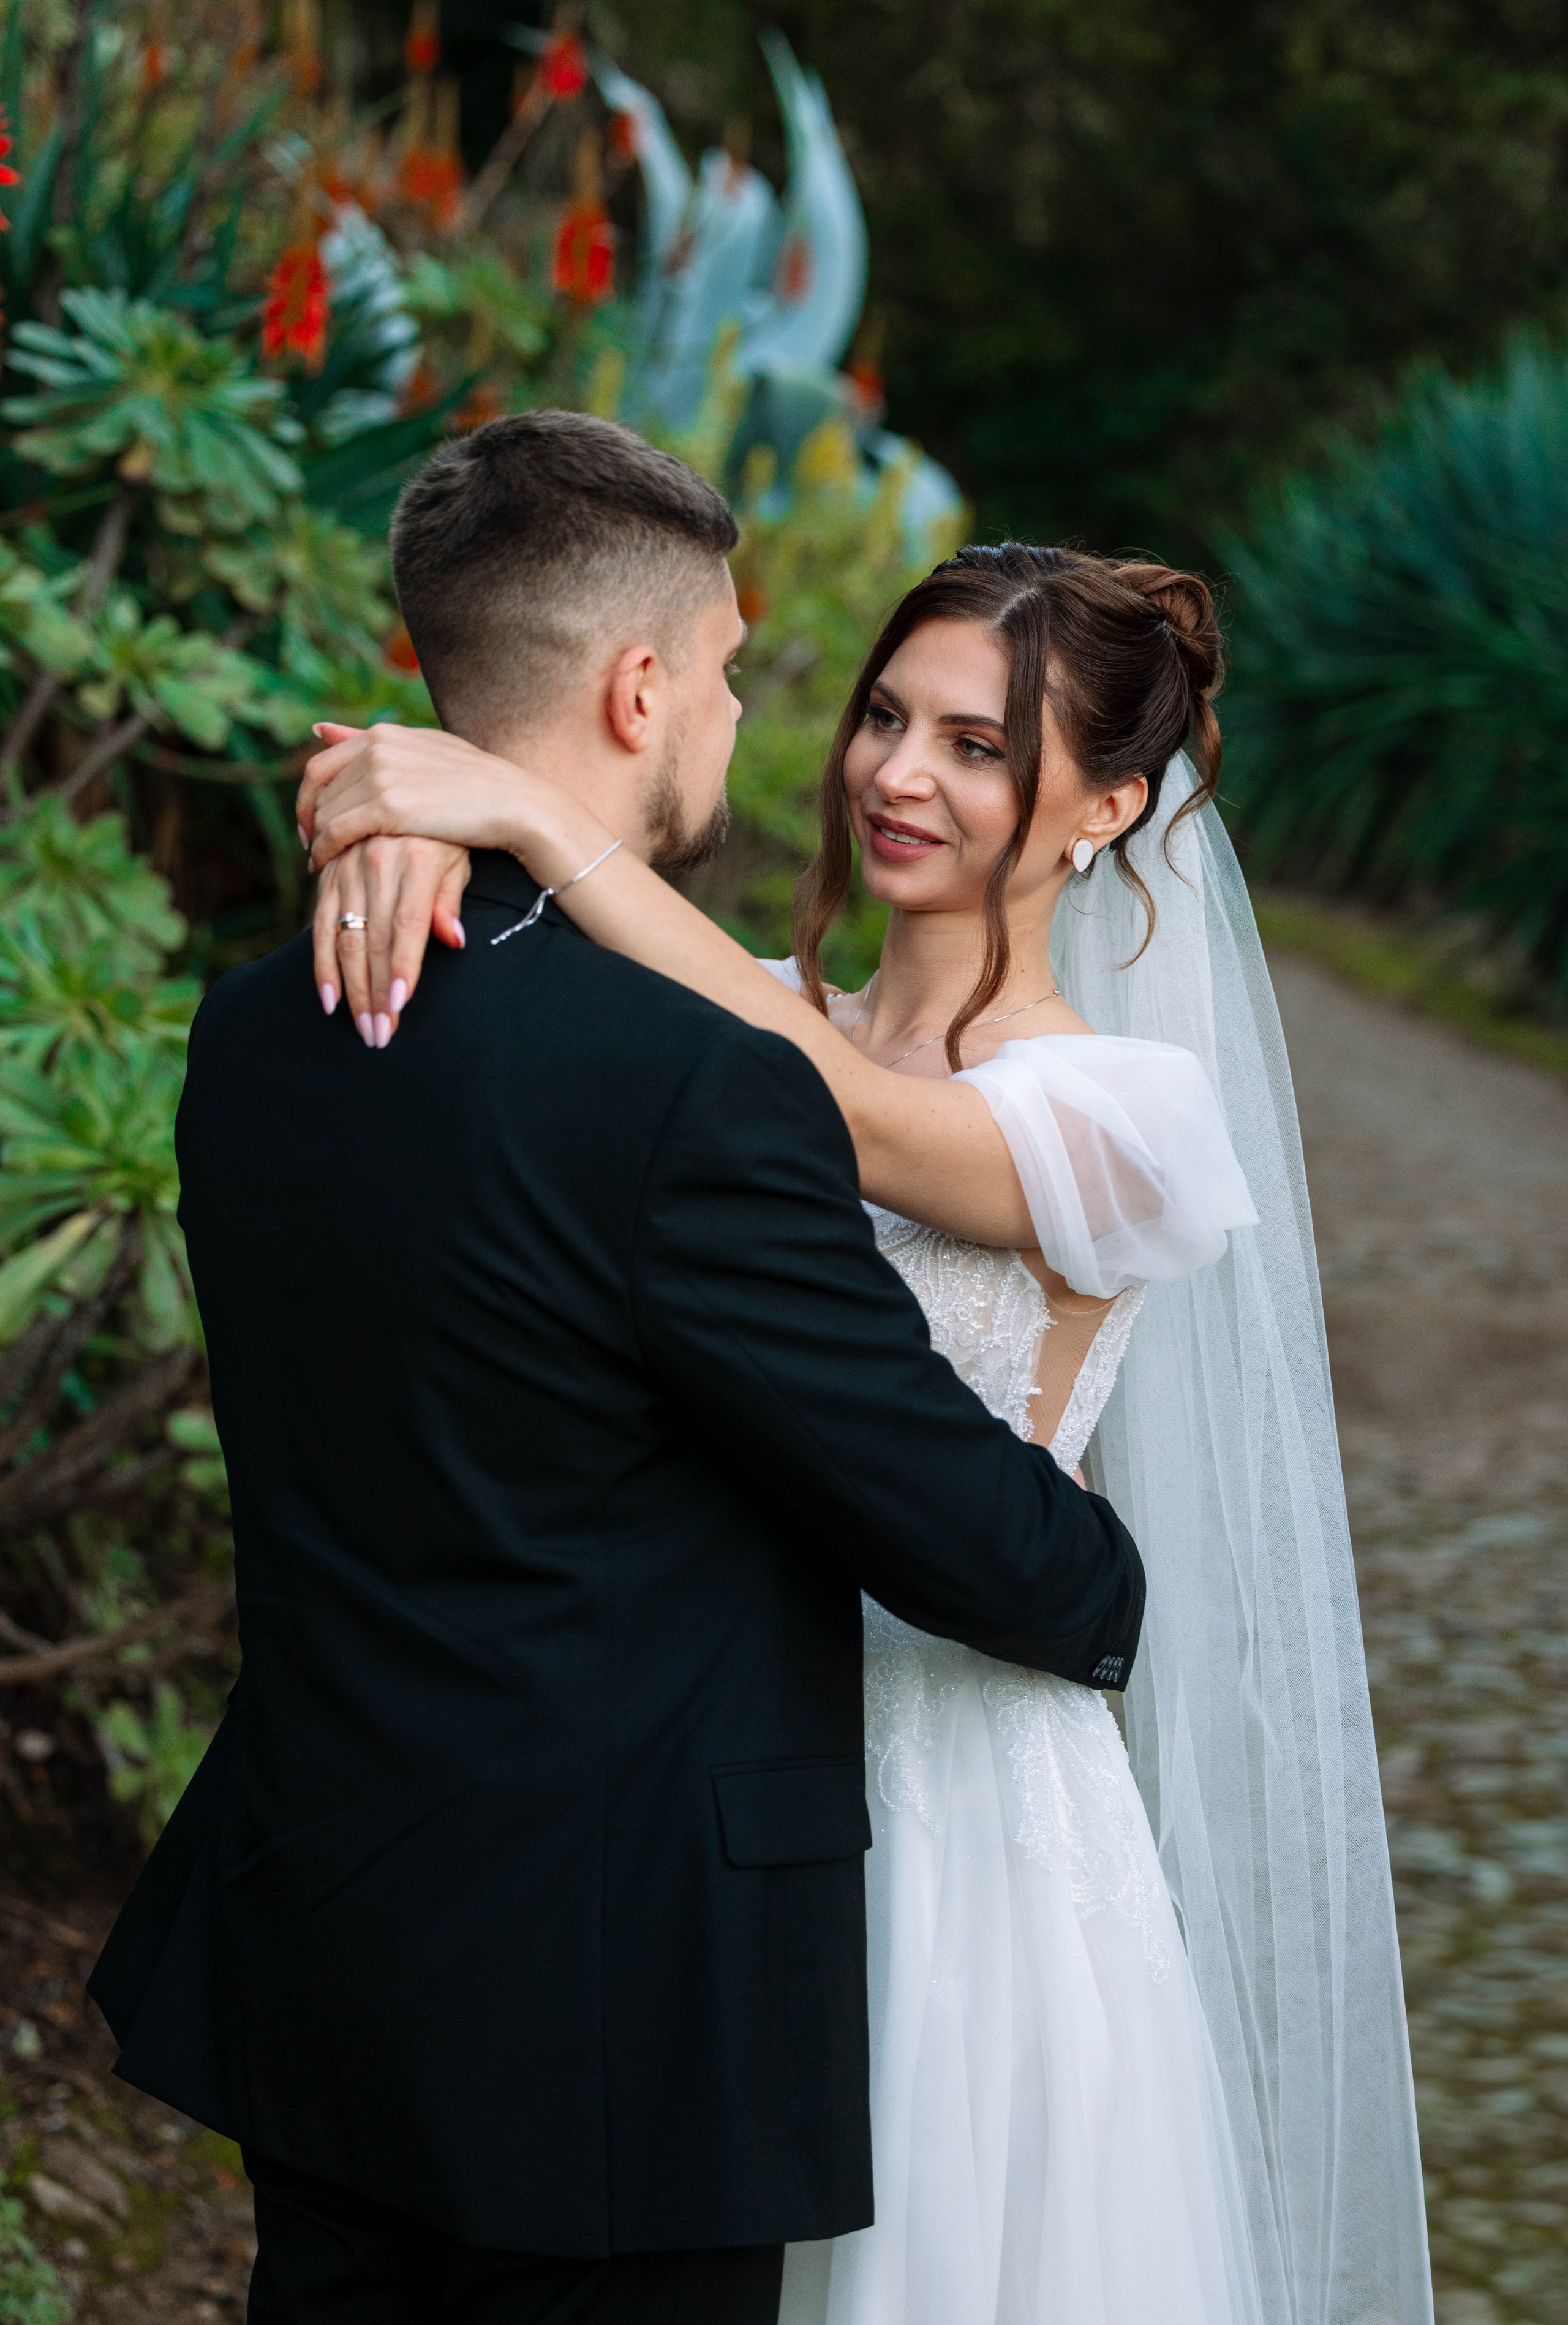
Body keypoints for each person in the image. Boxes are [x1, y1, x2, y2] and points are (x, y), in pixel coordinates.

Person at [85, 414, 1149, 2325]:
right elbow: (1014, 1564)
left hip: (329, 1945)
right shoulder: (699, 1090)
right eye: (740, 678)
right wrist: (1097, 1562)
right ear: (641, 685)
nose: (765, 731)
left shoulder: (261, 1026)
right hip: (615, 2017)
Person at [301, 534, 1434, 2325]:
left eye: (980, 746)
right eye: (886, 718)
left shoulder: (1129, 1110)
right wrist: (420, 830)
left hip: (967, 1813)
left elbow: (826, 1108)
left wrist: (521, 815)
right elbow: (608, 1031)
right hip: (691, 1803)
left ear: (1105, 809)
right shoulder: (737, 993)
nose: (900, 774)